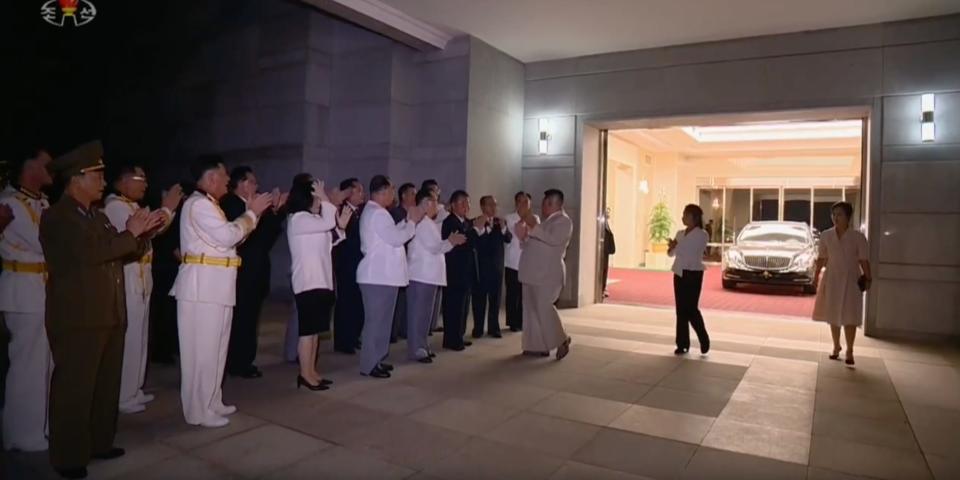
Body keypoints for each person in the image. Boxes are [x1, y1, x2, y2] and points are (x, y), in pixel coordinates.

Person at [40, 140, 165, 479]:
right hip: (79, 317)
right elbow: (88, 253)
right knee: (75, 388)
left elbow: (120, 250)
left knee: (105, 386)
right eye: (96, 176)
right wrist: (130, 234)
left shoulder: (95, 216)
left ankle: (99, 442)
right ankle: (68, 456)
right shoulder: (58, 216)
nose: (102, 182)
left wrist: (141, 235)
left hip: (108, 313)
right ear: (76, 179)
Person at [172, 155, 272, 428]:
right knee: (202, 352)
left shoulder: (210, 205)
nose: (228, 180)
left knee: (216, 349)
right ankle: (197, 410)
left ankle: (212, 400)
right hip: (201, 289)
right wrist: (252, 213)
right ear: (211, 178)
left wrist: (249, 217)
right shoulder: (198, 204)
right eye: (224, 175)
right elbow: (227, 236)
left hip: (217, 286)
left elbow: (231, 238)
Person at [103, 165, 182, 414]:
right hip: (127, 280)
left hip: (141, 280)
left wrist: (166, 210)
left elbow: (152, 229)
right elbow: (145, 231)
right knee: (130, 338)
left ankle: (134, 389)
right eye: (140, 179)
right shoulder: (115, 206)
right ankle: (124, 395)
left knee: (140, 337)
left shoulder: (130, 205)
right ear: (123, 181)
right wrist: (168, 208)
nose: (145, 185)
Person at [1, 144, 53, 452]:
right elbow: (44, 242)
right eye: (45, 164)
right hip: (23, 288)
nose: (51, 170)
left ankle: (38, 425)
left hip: (42, 287)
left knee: (42, 363)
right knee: (27, 363)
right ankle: (21, 433)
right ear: (30, 169)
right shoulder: (11, 203)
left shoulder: (40, 201)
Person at [286, 174, 352, 390]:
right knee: (307, 332)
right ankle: (305, 374)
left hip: (321, 281)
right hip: (308, 282)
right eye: (316, 199)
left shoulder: (313, 221)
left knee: (315, 332)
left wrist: (340, 226)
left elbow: (332, 239)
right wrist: (327, 200)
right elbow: (326, 222)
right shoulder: (298, 219)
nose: (319, 203)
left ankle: (312, 371)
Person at [356, 175, 423, 378]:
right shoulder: (377, 213)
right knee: (376, 322)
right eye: (392, 190)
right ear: (383, 191)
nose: (393, 194)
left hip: (382, 276)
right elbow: (396, 239)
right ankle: (369, 364)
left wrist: (406, 222)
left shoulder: (377, 212)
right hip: (378, 276)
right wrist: (411, 223)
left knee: (382, 321)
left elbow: (392, 233)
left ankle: (377, 359)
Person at [221, 166, 286, 379]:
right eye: (253, 182)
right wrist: (255, 213)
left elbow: (266, 239)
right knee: (241, 321)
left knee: (249, 319)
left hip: (255, 273)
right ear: (243, 184)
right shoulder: (230, 204)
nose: (257, 186)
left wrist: (276, 211)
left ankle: (244, 359)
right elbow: (247, 240)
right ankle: (238, 362)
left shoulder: (251, 207)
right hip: (242, 273)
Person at [406, 191, 465, 362]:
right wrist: (451, 241)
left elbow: (438, 247)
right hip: (421, 275)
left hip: (429, 275)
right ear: (425, 204)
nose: (437, 206)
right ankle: (416, 349)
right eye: (434, 202)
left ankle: (422, 346)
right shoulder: (422, 223)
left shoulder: (428, 223)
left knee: (425, 315)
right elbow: (434, 247)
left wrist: (450, 242)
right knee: (418, 315)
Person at [516, 189, 573, 360]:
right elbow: (533, 242)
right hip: (532, 271)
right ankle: (537, 346)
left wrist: (531, 223)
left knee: (544, 307)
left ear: (553, 204)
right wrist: (524, 237)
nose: (542, 207)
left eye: (545, 203)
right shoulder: (546, 222)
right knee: (531, 310)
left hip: (548, 273)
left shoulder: (564, 221)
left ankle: (561, 339)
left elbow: (552, 239)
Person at [812, 201, 871, 366]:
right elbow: (822, 258)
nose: (835, 218)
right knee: (833, 314)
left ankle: (850, 350)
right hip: (832, 278)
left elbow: (864, 260)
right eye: (833, 214)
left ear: (848, 217)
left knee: (849, 316)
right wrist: (816, 275)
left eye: (839, 214)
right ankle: (836, 346)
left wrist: (868, 277)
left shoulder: (858, 237)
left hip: (852, 279)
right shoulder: (826, 235)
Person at [441, 190, 486, 351]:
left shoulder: (466, 222)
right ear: (453, 205)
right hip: (455, 271)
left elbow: (474, 242)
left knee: (464, 306)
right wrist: (476, 230)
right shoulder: (450, 222)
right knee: (454, 306)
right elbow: (464, 242)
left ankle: (458, 335)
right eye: (462, 203)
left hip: (467, 271)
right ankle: (451, 339)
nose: (466, 206)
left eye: (468, 203)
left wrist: (477, 229)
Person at [149, 185, 185, 365]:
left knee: (171, 311)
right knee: (163, 310)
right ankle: (161, 350)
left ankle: (169, 347)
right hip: (164, 266)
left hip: (173, 267)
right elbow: (167, 241)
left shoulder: (181, 212)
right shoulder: (164, 212)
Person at [667, 204, 710, 356]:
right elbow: (672, 254)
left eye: (685, 215)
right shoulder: (680, 233)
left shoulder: (702, 234)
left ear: (694, 217)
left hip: (693, 274)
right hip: (679, 272)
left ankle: (703, 338)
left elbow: (689, 250)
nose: (683, 217)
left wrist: (676, 246)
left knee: (691, 309)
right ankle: (682, 344)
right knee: (680, 310)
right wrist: (671, 247)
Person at [333, 177, 365, 354]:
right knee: (346, 302)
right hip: (346, 264)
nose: (363, 194)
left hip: (357, 263)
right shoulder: (342, 212)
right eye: (359, 190)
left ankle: (353, 337)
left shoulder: (359, 212)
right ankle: (343, 341)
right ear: (349, 193)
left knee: (355, 302)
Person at [472, 195, 511, 338]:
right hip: (480, 268)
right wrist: (480, 228)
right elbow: (473, 241)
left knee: (495, 301)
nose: (494, 208)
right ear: (482, 207)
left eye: (495, 205)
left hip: (497, 268)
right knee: (479, 300)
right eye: (490, 205)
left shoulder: (501, 222)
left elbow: (508, 238)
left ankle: (494, 328)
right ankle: (478, 328)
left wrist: (503, 229)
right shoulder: (475, 222)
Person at [504, 192, 536, 332]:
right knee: (513, 293)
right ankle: (513, 322)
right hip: (513, 261)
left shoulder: (535, 219)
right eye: (520, 201)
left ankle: (523, 320)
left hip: (529, 261)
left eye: (526, 202)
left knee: (526, 293)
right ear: (516, 203)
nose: (523, 204)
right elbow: (515, 234)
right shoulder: (509, 218)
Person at [389, 182, 417, 342]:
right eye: (412, 193)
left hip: (411, 261)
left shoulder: (414, 214)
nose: (415, 196)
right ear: (403, 196)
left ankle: (403, 329)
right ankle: (393, 331)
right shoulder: (396, 213)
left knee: (406, 299)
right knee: (397, 299)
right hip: (399, 259)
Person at [600, 208, 616, 299]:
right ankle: (601, 288)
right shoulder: (601, 224)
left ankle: (603, 288)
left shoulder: (606, 224)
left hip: (605, 251)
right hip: (602, 251)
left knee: (605, 270)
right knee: (602, 270)